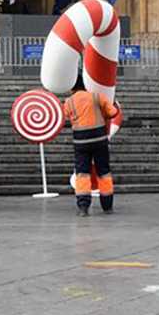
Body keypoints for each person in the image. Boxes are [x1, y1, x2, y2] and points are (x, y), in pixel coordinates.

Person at [63, 75, 120, 217]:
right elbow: (112, 113)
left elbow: (65, 117)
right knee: (103, 172)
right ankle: (107, 206)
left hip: (80, 143)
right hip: (99, 140)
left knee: (82, 174)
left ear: (72, 87)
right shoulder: (96, 96)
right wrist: (116, 106)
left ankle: (83, 207)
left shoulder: (69, 101)